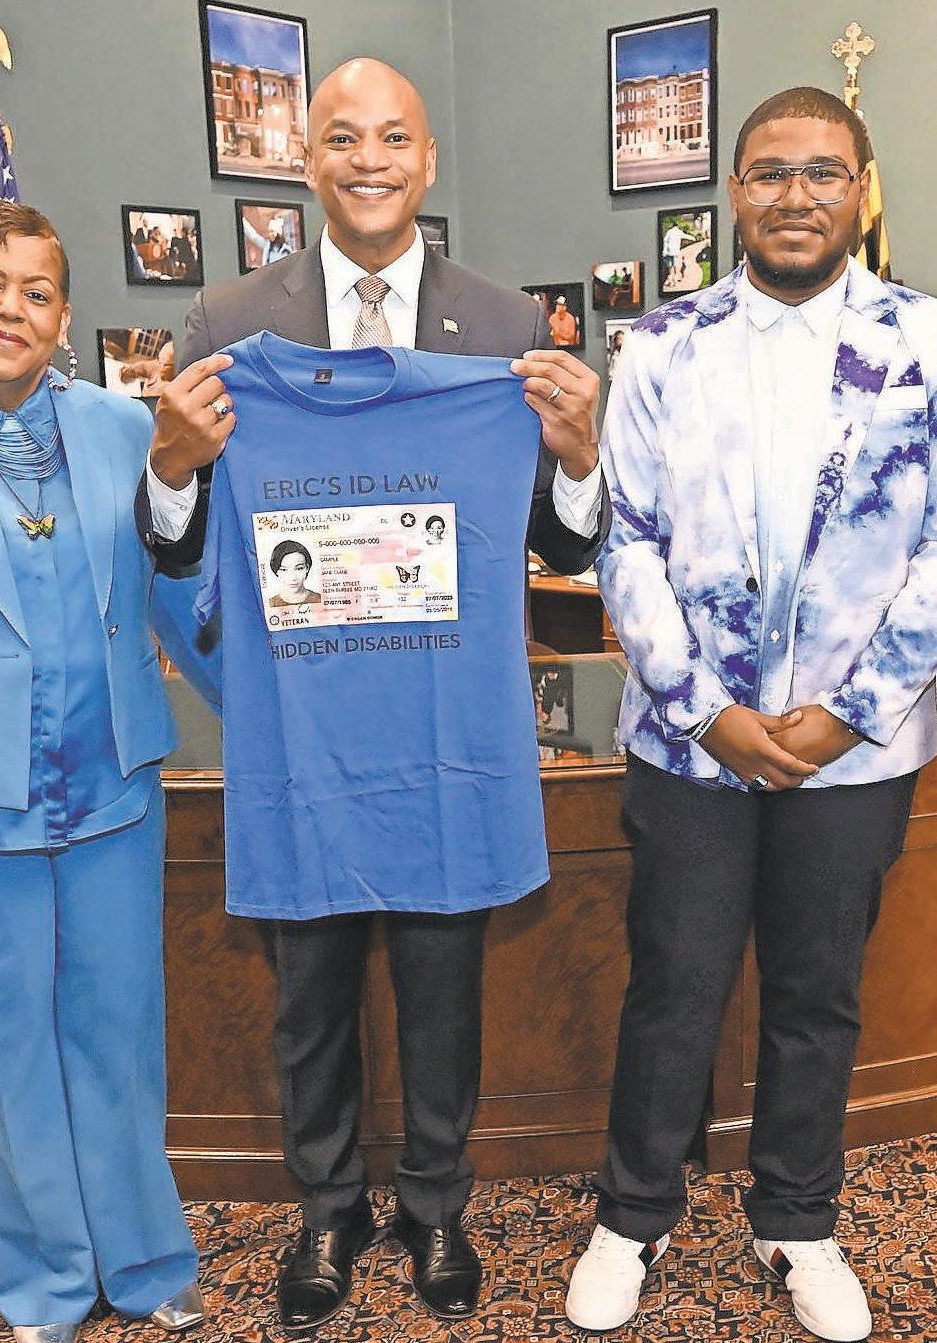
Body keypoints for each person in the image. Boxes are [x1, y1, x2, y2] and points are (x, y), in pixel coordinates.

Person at [135, 57, 609, 1331]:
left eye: (393, 137)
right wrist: (170, 466)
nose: (368, 160)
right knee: (310, 999)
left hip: (446, 731)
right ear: (307, 160)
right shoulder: (228, 325)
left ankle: (435, 1204)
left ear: (426, 158)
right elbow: (179, 546)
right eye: (341, 138)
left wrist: (576, 454)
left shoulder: (504, 326)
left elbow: (563, 546)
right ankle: (327, 1207)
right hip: (304, 738)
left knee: (444, 991)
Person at [568, 87, 937, 1343]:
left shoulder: (922, 340)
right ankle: (632, 1214)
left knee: (816, 991)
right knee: (672, 981)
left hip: (857, 750)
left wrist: (852, 711)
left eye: (822, 172)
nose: (795, 195)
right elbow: (625, 538)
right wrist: (703, 710)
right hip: (689, 748)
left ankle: (797, 1218)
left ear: (861, 189)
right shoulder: (658, 345)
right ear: (732, 192)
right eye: (770, 171)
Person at [0, 203, 209, 1343]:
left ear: (64, 317)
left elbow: (180, 587)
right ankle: (46, 1281)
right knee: (10, 1044)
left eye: (36, 291)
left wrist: (281, 714)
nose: (9, 308)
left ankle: (146, 1259)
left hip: (112, 785)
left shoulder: (125, 431)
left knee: (119, 1033)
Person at [269, 538, 322, 606]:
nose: (293, 578)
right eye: (284, 570)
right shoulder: (271, 604)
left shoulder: (319, 599)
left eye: (299, 568)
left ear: (307, 568)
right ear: (276, 571)